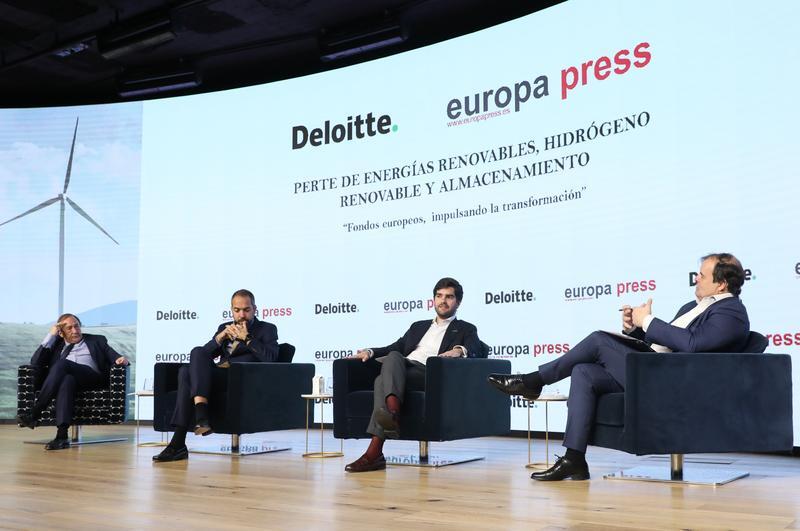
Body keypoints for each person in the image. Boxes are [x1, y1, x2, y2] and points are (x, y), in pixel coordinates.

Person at [488, 253, 750, 481]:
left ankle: (533, 381)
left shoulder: (731, 312)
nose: (696, 279)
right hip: (653, 372)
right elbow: (667, 343)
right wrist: (635, 328)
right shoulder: (691, 307)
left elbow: (692, 344)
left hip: (676, 386)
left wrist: (648, 320)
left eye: (702, 275)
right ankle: (574, 459)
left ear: (722, 283)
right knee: (583, 372)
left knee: (598, 341)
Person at [344, 277, 484, 473]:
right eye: (439, 296)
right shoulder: (418, 326)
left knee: (386, 372)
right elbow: (395, 347)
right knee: (390, 363)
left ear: (458, 302)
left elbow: (477, 348)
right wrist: (369, 351)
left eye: (449, 297)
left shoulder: (466, 328)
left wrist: (459, 350)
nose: (443, 301)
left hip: (430, 374)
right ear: (433, 299)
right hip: (404, 370)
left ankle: (382, 435)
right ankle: (386, 426)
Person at [153, 289, 279, 462]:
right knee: (192, 360)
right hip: (218, 376)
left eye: (246, 310)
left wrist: (248, 338)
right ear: (231, 310)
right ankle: (197, 422)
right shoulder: (224, 328)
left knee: (185, 373)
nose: (241, 315)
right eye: (237, 310)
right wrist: (219, 338)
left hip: (240, 379)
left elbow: (271, 359)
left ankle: (180, 441)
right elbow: (202, 356)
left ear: (254, 309)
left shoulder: (267, 329)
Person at [17, 313, 129, 450]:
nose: (75, 331)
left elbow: (115, 357)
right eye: (69, 328)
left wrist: (121, 360)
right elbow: (35, 362)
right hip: (70, 382)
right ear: (61, 332)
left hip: (92, 379)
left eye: (76, 326)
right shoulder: (56, 345)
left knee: (62, 364)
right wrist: (51, 335)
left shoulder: (97, 340)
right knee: (67, 380)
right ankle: (61, 436)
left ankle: (35, 412)